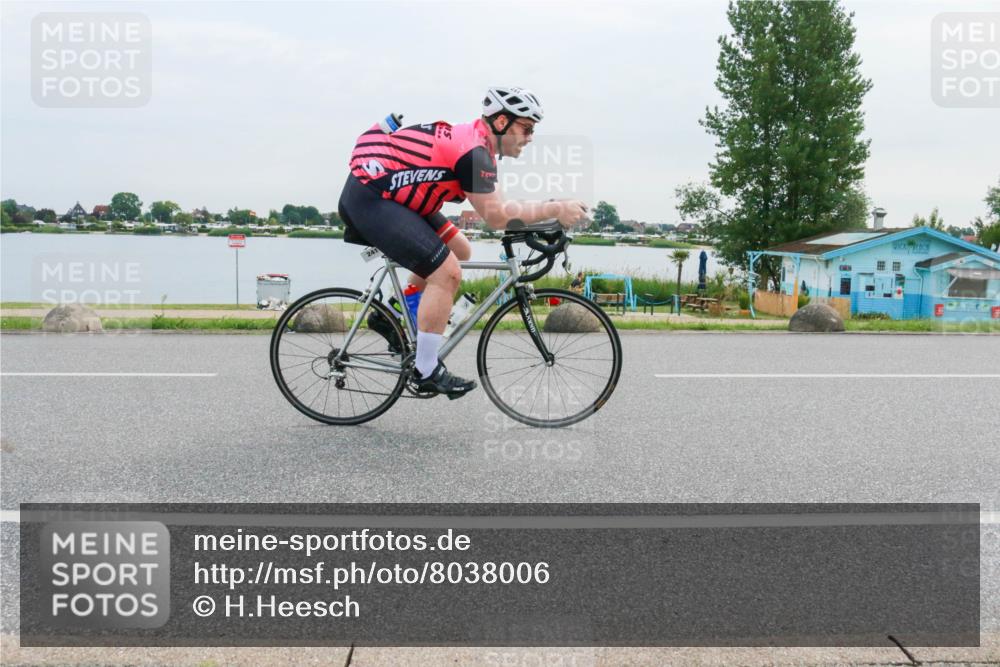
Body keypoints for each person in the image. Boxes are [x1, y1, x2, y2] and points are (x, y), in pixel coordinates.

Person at [338, 86, 588, 398]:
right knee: (448, 273)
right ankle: (425, 369)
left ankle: (393, 311)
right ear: (500, 123)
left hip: (400, 199)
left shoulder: (479, 146)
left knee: (461, 250)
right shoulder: (474, 153)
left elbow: (502, 209)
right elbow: (497, 217)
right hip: (371, 196)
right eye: (526, 128)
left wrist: (550, 217)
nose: (530, 137)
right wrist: (554, 208)